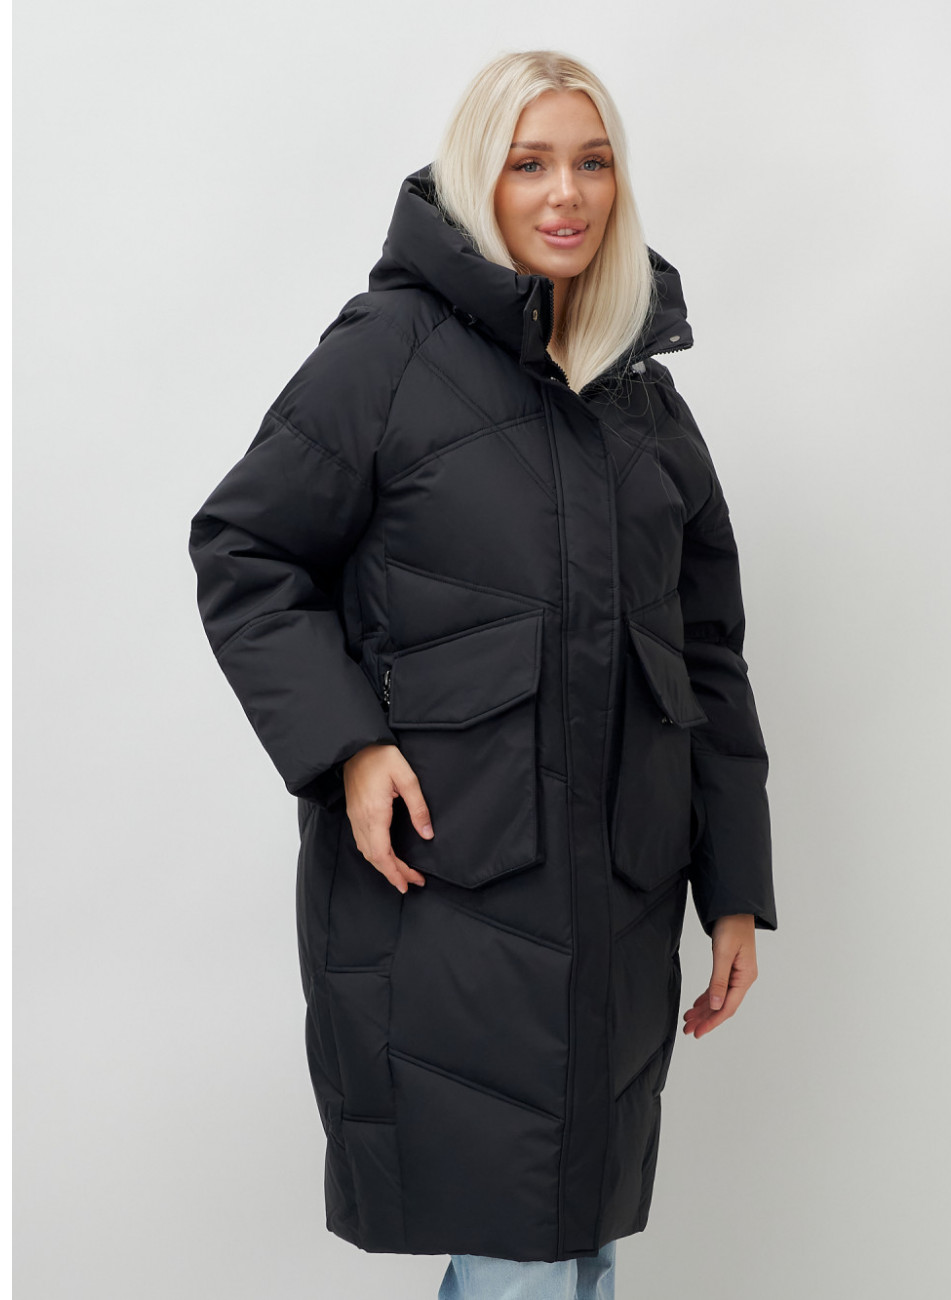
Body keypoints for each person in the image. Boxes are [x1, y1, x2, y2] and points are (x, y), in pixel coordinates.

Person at [188, 48, 777, 1300]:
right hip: (446, 898)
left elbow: (707, 662)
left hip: (615, 912)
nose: (566, 193)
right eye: (530, 164)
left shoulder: (642, 403)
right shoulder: (388, 356)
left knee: (573, 1249)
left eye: (591, 162)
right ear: (478, 179)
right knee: (526, 1255)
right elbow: (245, 549)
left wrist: (732, 887)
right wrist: (349, 744)